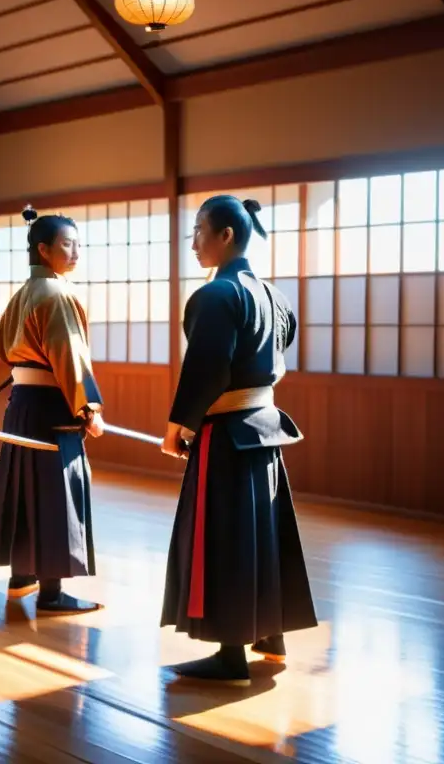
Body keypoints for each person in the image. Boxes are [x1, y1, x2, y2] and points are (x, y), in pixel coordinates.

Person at [159, 195, 317, 686]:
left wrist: (178, 427)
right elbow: (280, 344)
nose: (194, 243)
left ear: (226, 234)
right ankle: (270, 633)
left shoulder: (216, 295)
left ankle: (230, 655)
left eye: (199, 231)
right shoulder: (273, 295)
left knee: (223, 537)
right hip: (263, 429)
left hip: (226, 434)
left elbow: (206, 370)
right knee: (261, 532)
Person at [0, 206, 105, 614]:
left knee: (25, 489)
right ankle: (52, 593)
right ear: (43, 249)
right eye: (68, 245)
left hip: (22, 406)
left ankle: (21, 579)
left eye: (78, 245)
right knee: (54, 492)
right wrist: (88, 408)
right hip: (52, 406)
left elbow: (4, 349)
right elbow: (70, 356)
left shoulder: (21, 294)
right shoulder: (56, 293)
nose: (76, 252)